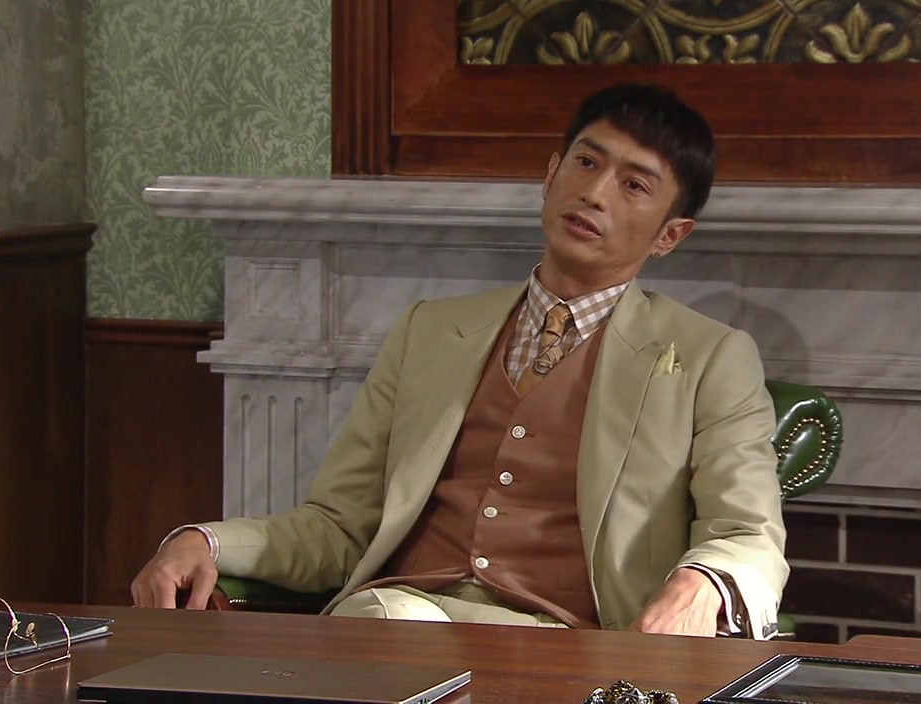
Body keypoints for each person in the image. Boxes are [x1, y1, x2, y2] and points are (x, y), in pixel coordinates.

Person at [132, 83, 787, 639]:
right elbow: (337, 526)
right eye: (586, 163)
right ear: (551, 174)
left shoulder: (709, 358)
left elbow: (748, 534)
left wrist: (704, 581)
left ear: (670, 234)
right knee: (383, 625)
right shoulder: (429, 331)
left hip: (566, 645)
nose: (595, 193)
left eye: (634, 185)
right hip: (400, 615)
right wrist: (206, 541)